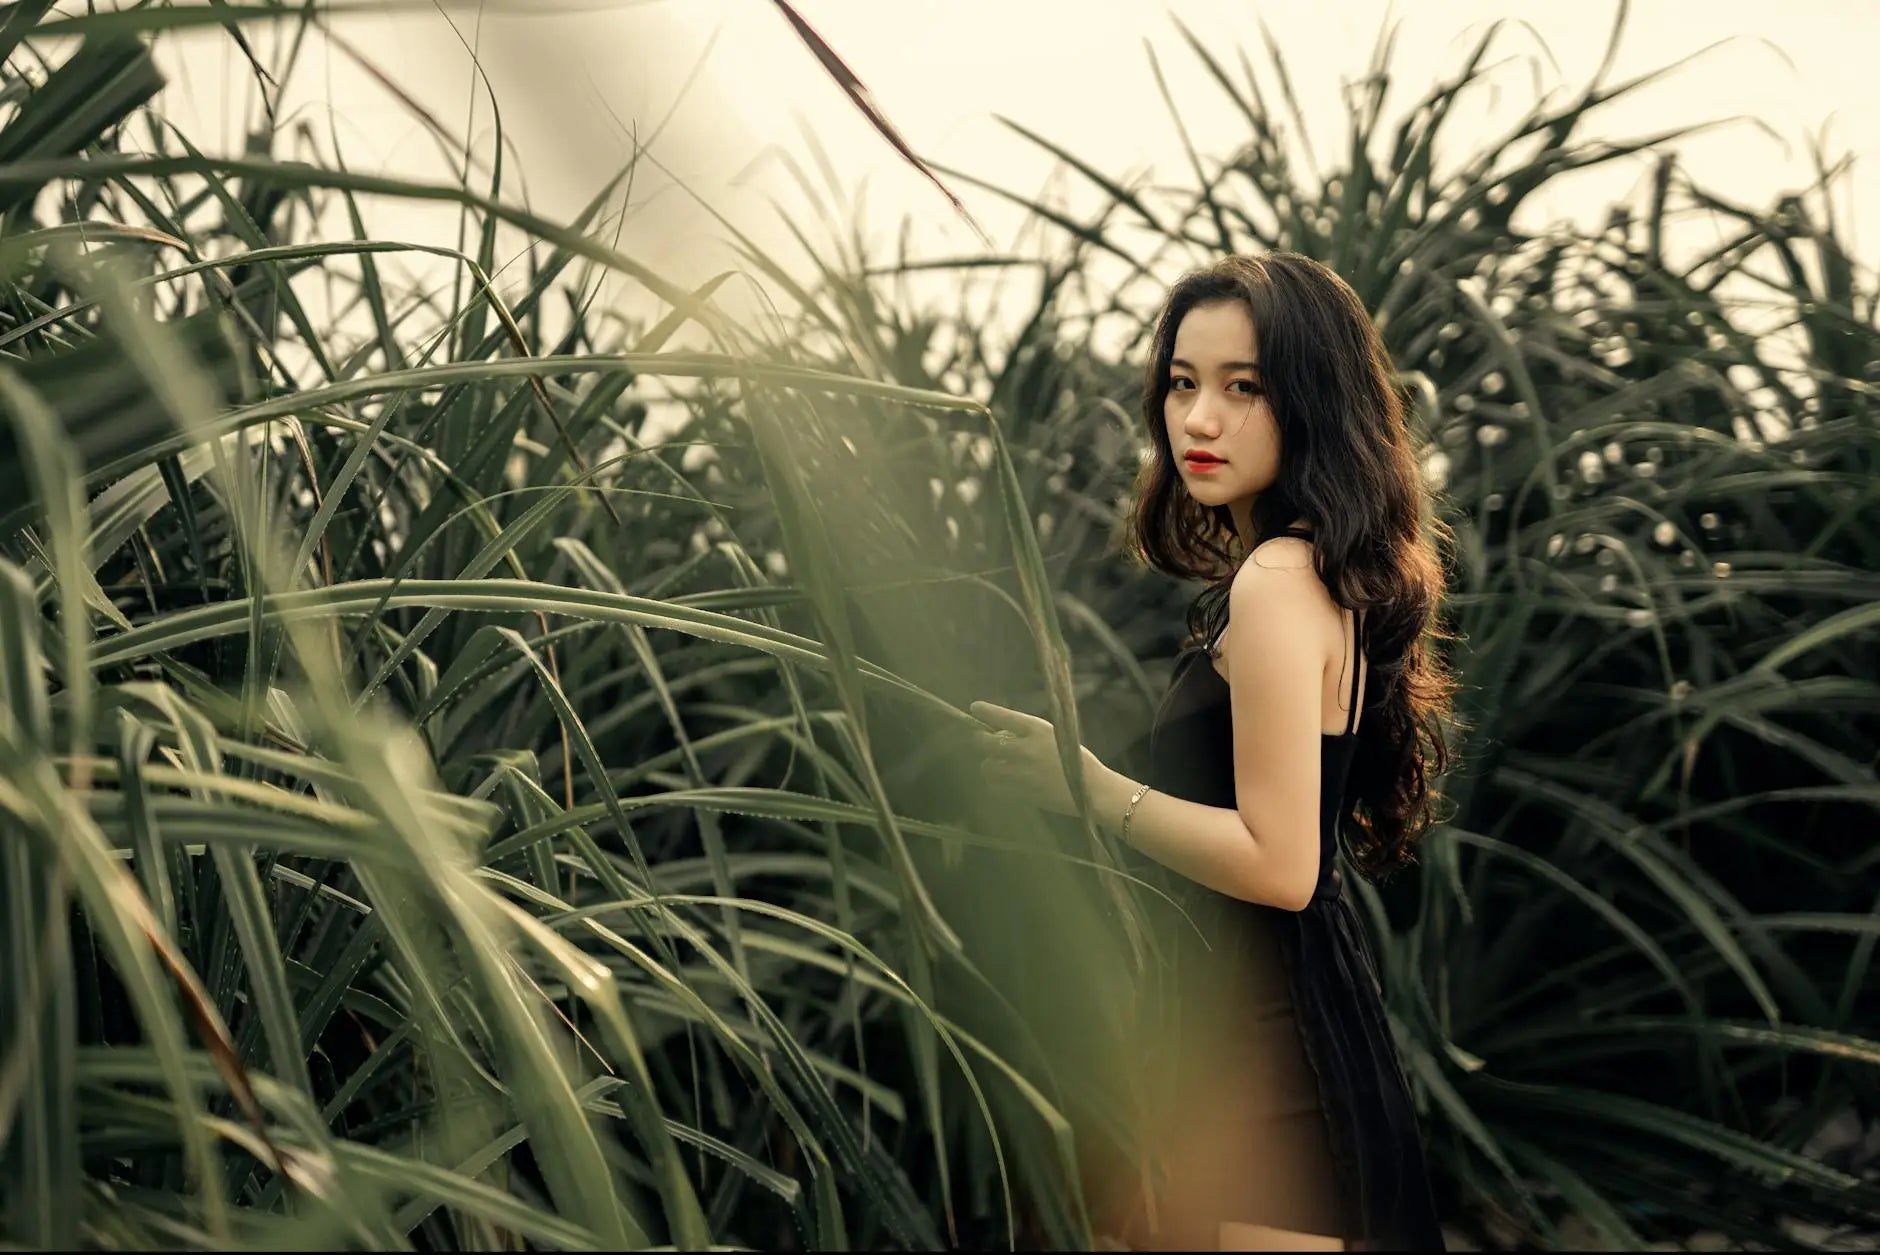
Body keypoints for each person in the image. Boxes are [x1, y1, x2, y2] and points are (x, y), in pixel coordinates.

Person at [971, 252, 1457, 1251]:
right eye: (1180, 384)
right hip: (1257, 1030)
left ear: (1311, 401)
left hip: (1269, 1050)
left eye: (1243, 388)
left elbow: (1282, 866)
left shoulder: (1278, 581)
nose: (1196, 420)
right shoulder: (1308, 569)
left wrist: (1085, 787)